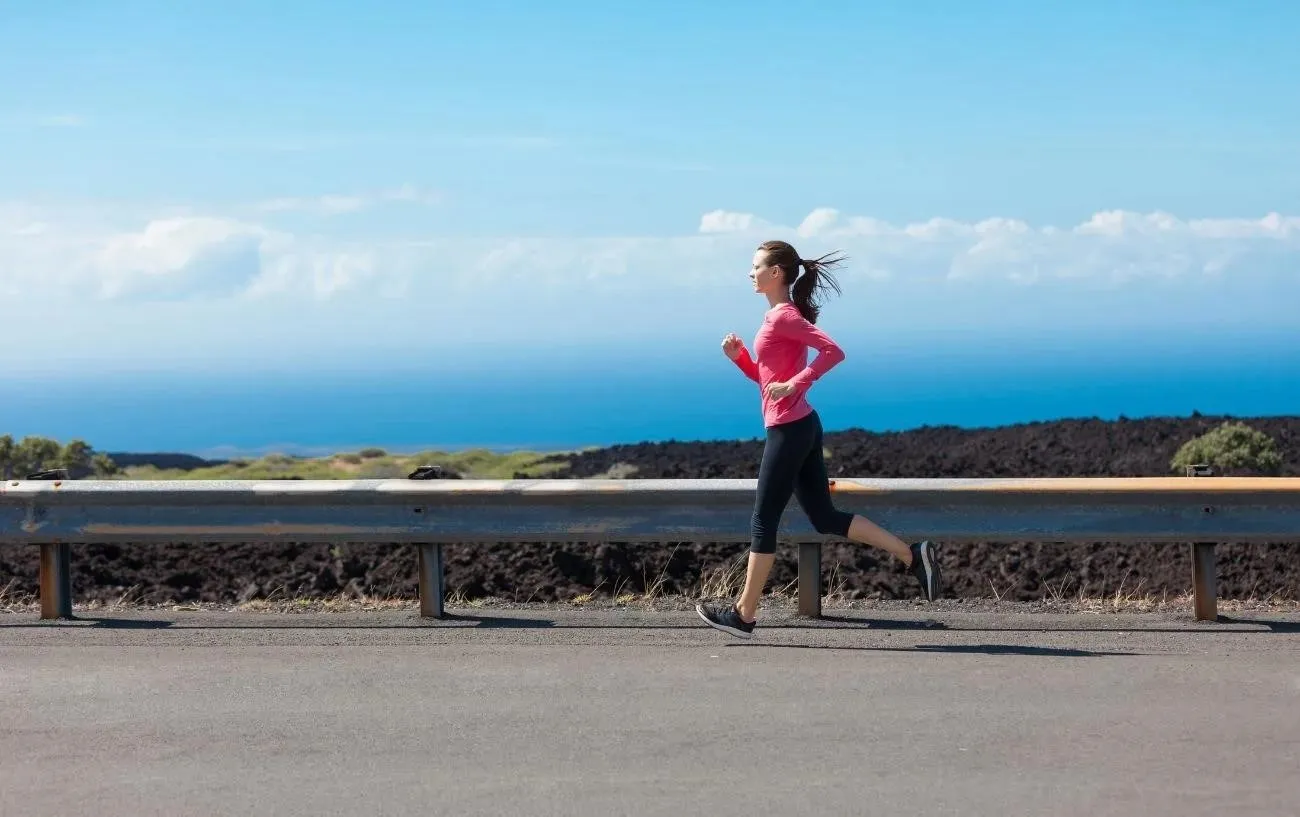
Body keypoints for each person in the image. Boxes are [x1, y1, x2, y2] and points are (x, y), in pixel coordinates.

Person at [695, 240, 941, 639]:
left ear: (776, 273)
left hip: (790, 429)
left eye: (756, 265)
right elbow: (767, 380)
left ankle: (744, 614)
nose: (750, 272)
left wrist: (795, 383)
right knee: (824, 517)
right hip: (801, 424)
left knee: (763, 519)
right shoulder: (776, 317)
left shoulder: (783, 317)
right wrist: (741, 359)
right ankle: (911, 555)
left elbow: (833, 351)